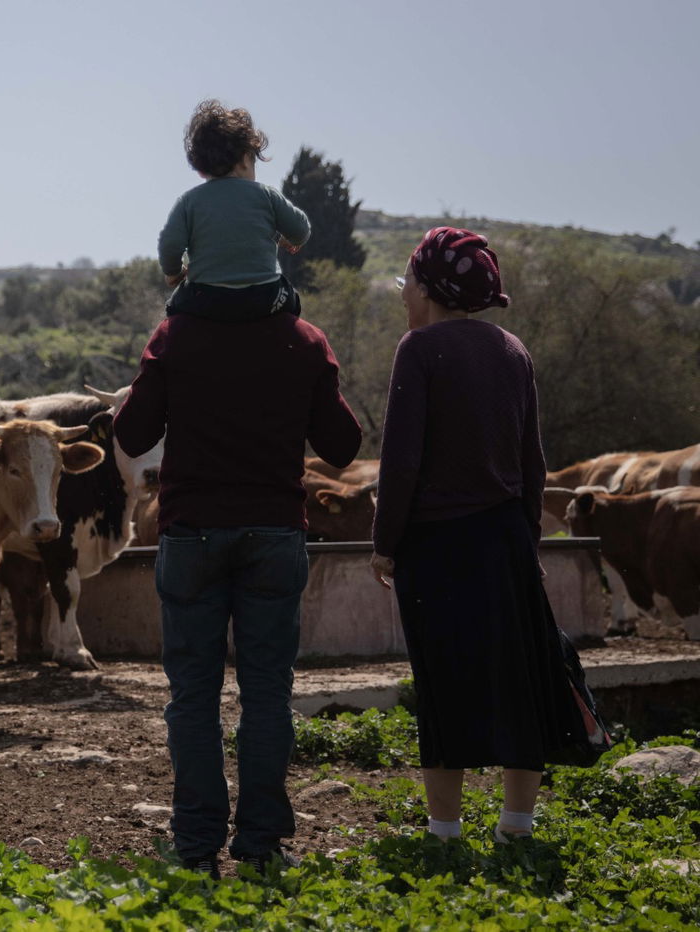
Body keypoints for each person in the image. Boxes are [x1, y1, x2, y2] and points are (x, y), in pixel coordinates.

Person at [114, 267, 362, 878]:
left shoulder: (173, 336)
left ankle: (196, 846)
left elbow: (133, 433)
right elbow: (342, 446)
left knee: (193, 696)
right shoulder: (303, 340)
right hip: (274, 534)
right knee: (268, 694)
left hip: (192, 533)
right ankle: (260, 843)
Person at [370, 227, 586, 843]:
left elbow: (401, 461)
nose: (403, 292)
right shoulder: (513, 349)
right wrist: (528, 541)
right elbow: (532, 463)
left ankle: (445, 831)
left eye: (407, 280)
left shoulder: (419, 349)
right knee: (520, 677)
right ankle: (517, 825)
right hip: (505, 539)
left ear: (429, 288)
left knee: (444, 683)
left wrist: (385, 542)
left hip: (436, 546)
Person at [158, 100, 311, 322]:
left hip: (205, 299)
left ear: (201, 169)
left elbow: (169, 245)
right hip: (264, 297)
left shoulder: (188, 202)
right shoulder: (266, 195)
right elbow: (301, 230)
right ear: (245, 159)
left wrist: (174, 272)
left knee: (173, 308)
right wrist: (288, 238)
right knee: (293, 300)